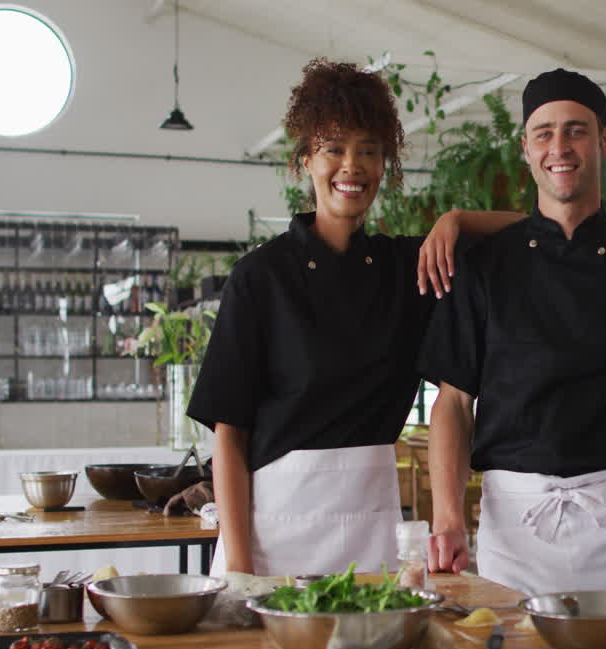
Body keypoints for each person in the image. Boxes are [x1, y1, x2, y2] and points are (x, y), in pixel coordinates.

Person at [187, 59, 522, 577]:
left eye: (369, 150)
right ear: (304, 161)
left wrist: (457, 219)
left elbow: (535, 236)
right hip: (272, 534)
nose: (353, 166)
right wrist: (238, 564)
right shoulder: (261, 276)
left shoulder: (411, 269)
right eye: (334, 149)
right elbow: (229, 435)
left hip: (374, 525)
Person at [419, 69, 606, 600]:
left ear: (605, 139)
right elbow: (452, 402)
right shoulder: (483, 265)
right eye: (544, 133)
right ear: (525, 147)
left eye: (576, 130)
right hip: (513, 525)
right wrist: (447, 519)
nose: (559, 147)